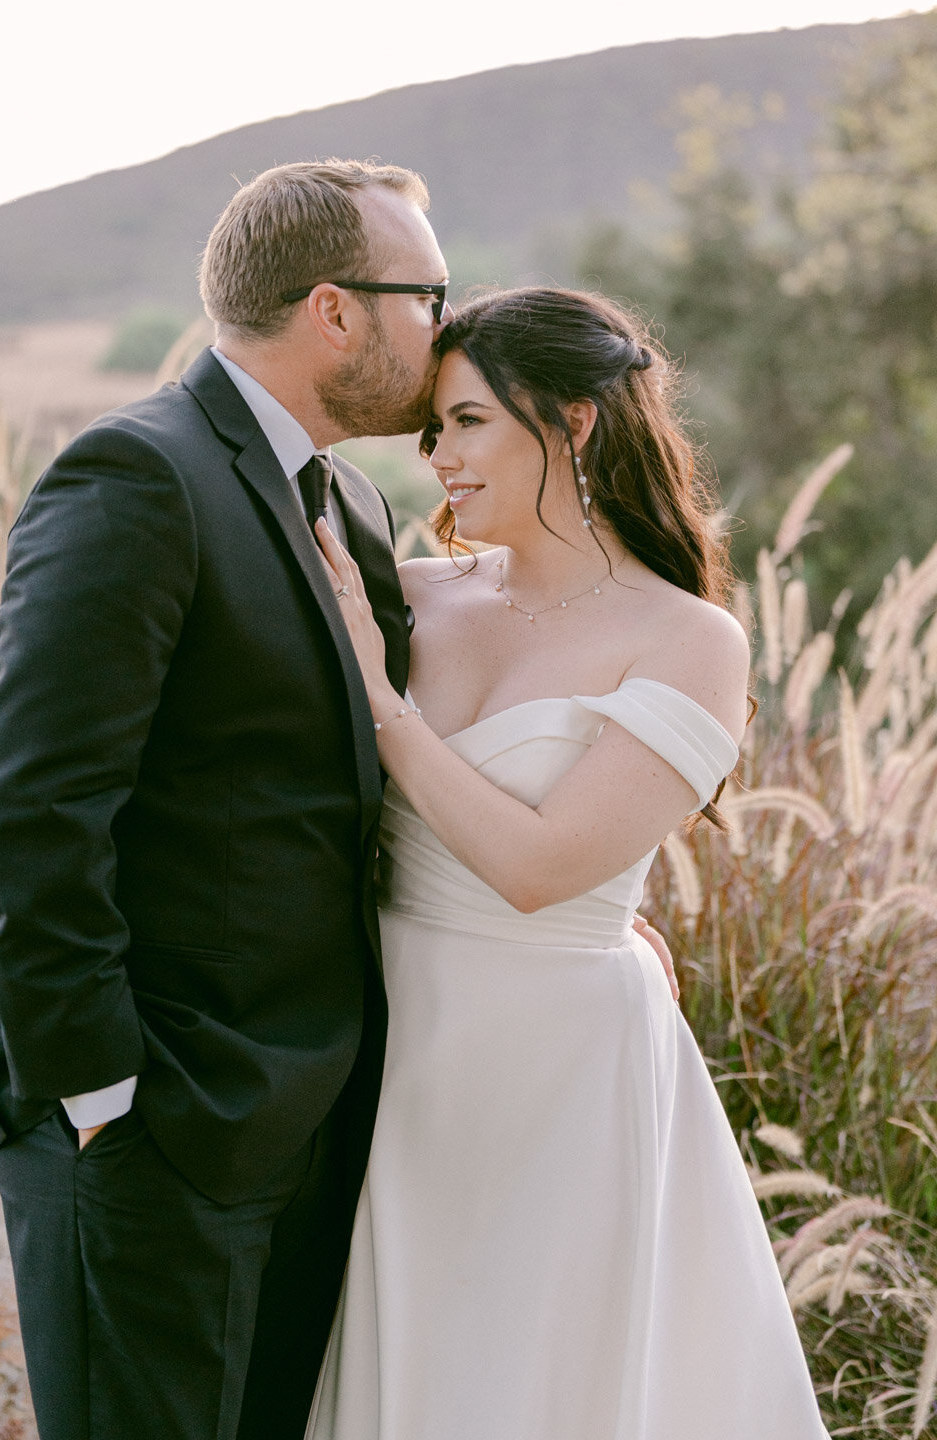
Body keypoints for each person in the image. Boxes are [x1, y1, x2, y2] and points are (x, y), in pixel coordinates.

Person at [0, 158, 450, 1440]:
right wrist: (102, 1094)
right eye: (430, 296)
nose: (449, 328)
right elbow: (39, 804)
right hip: (157, 1122)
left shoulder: (359, 505)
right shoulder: (137, 475)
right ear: (336, 310)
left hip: (312, 1120)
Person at [306, 286, 832, 1439]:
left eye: (468, 422)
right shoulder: (411, 593)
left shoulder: (687, 638)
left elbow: (541, 869)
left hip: (558, 1069)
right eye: (433, 429)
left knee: (532, 1375)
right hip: (392, 1046)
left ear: (574, 423)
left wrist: (381, 703)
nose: (439, 457)